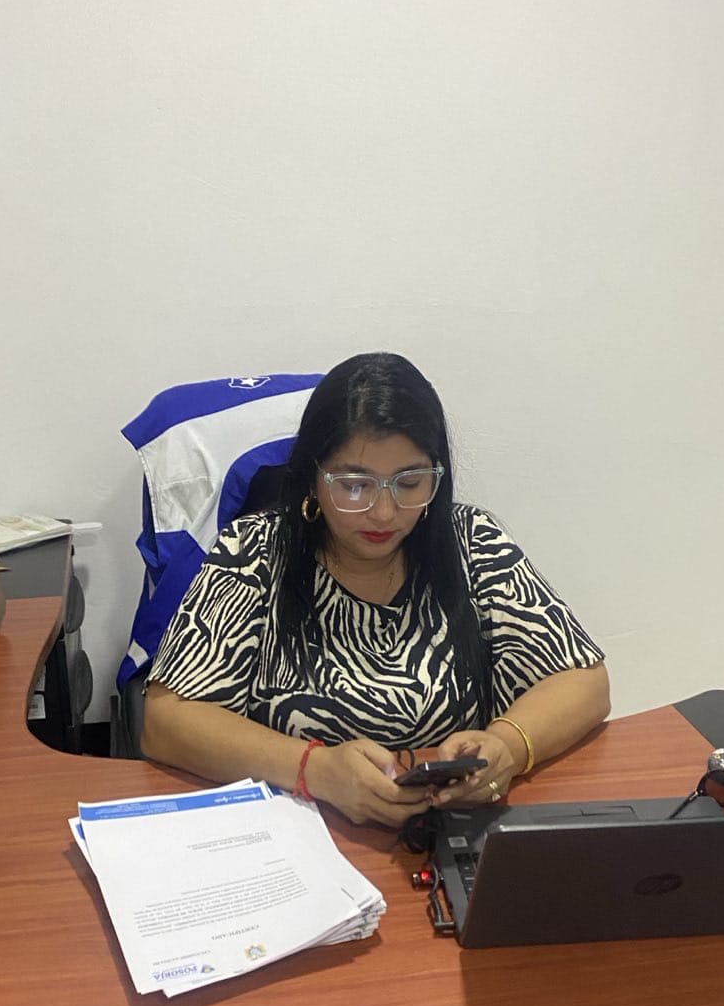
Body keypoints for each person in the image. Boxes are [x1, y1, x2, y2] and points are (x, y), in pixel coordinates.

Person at [142, 353, 609, 827]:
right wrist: (314, 770)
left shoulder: (471, 541)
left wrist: (507, 746)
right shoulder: (255, 551)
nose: (384, 512)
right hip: (300, 831)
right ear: (313, 477)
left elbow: (585, 682)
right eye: (354, 485)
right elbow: (165, 722)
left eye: (410, 482)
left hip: (448, 827)